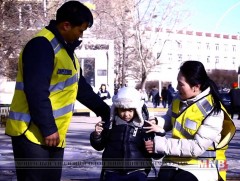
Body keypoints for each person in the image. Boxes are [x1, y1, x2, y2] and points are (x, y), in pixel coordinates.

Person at [5, 1, 110, 181]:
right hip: (31, 134)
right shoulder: (42, 45)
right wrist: (48, 128)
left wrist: (107, 112)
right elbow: (36, 91)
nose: (81, 35)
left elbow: (81, 89)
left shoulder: (67, 52)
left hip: (53, 135)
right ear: (66, 25)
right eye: (80, 30)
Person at [144, 61, 236, 181]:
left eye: (181, 84)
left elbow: (196, 147)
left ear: (196, 86)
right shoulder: (179, 99)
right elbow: (169, 119)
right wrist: (157, 122)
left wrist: (160, 144)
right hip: (176, 160)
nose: (177, 87)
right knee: (163, 177)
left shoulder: (213, 110)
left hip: (204, 164)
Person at [90, 87, 165, 181]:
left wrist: (159, 135)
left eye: (130, 110)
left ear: (137, 110)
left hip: (138, 172)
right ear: (116, 109)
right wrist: (97, 135)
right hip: (112, 171)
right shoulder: (110, 125)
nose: (126, 114)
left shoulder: (145, 127)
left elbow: (157, 155)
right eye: (122, 110)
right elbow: (99, 146)